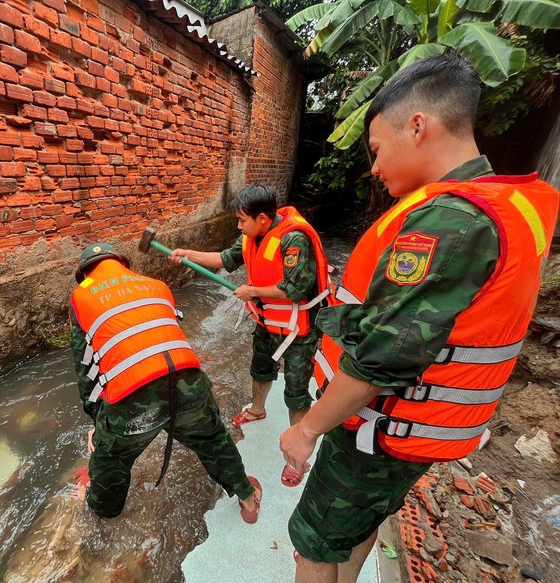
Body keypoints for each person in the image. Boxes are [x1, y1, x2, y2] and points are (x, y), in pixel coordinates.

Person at [279, 52, 559, 583]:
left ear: (418, 125)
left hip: (376, 430)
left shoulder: (448, 223)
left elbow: (382, 357)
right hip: (408, 434)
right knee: (359, 524)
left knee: (313, 542)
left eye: (379, 149)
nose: (375, 167)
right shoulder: (507, 206)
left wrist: (308, 429)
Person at [69, 242, 262, 521]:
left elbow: (85, 368)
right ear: (123, 264)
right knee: (212, 438)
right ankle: (247, 498)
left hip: (131, 398)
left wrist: (97, 423)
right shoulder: (155, 285)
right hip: (189, 382)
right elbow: (169, 337)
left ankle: (101, 512)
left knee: (111, 459)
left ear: (84, 274)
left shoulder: (81, 296)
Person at [172, 184, 331, 487]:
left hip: (299, 328)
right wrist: (187, 253)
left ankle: (297, 454)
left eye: (242, 220)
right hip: (267, 322)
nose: (238, 225)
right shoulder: (251, 234)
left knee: (296, 390)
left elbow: (296, 288)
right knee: (260, 369)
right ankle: (257, 410)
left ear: (262, 218)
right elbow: (224, 258)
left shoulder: (294, 240)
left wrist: (253, 291)